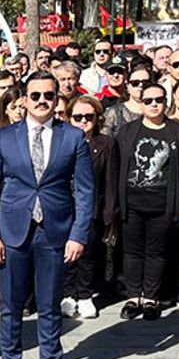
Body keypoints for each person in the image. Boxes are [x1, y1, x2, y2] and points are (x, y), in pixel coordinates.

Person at [0, 72, 94, 359]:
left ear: (57, 98)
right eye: (35, 95)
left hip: (55, 232)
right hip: (13, 232)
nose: (42, 101)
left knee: (49, 303)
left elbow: (86, 192)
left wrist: (78, 234)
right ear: (24, 100)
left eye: (48, 95)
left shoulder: (73, 137)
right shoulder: (4, 138)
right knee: (12, 305)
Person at [115, 83, 179, 320]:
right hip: (132, 204)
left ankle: (150, 298)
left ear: (166, 101)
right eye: (149, 100)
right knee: (132, 251)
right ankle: (133, 296)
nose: (154, 104)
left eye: (159, 100)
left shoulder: (177, 131)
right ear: (141, 103)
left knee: (156, 252)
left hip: (162, 204)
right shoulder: (127, 131)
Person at [60, 96, 118, 319]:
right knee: (65, 253)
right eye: (78, 117)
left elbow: (110, 181)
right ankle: (67, 294)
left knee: (87, 252)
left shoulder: (106, 144)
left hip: (92, 206)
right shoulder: (61, 141)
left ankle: (84, 295)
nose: (83, 121)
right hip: (64, 206)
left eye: (88, 116)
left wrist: (109, 213)